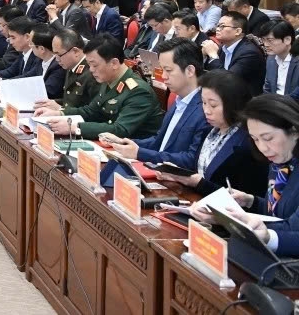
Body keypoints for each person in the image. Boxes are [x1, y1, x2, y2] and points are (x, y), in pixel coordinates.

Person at [153, 69, 265, 197]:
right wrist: (178, 175)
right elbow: (199, 173)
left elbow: (246, 197)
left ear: (233, 104)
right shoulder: (209, 130)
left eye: (213, 105)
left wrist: (197, 183)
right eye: (204, 103)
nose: (206, 110)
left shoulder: (247, 142)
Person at [102, 38, 210, 169]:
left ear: (190, 71)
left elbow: (191, 160)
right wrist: (125, 143)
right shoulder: (178, 101)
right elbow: (159, 141)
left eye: (168, 70)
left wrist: (140, 153)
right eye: (162, 70)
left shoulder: (206, 109)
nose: (163, 76)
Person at [34, 33, 163, 139]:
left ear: (114, 63)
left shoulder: (138, 91)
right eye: (89, 65)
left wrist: (75, 127)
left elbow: (120, 129)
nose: (90, 70)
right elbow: (91, 111)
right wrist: (59, 113)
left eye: (94, 65)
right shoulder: (109, 79)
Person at [216, 95, 299, 253]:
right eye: (255, 139)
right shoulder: (279, 160)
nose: (263, 148)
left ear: (294, 131)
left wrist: (267, 237)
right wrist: (251, 201)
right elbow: (279, 212)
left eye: (268, 138)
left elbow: (293, 227)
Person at [201, 11, 267, 95]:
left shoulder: (249, 53)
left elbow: (227, 82)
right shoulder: (223, 48)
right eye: (217, 26)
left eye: (222, 26)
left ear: (238, 31)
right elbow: (208, 74)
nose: (217, 29)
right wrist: (204, 56)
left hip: (245, 101)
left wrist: (213, 56)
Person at [41, 28, 101, 109]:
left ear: (75, 51)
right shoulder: (71, 67)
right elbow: (69, 101)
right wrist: (52, 103)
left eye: (59, 54)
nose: (57, 59)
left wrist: (60, 109)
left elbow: (91, 111)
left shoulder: (92, 72)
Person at [0, 17, 40, 84]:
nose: (11, 42)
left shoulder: (38, 56)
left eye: (13, 38)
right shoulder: (23, 53)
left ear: (27, 37)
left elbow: (26, 79)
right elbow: (10, 71)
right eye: (10, 38)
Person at [30, 25, 68, 99]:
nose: (30, 46)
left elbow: (48, 92)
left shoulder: (58, 65)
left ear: (41, 49)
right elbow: (27, 76)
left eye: (31, 44)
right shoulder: (40, 60)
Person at [263, 21, 299, 97]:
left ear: (287, 40)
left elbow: (296, 96)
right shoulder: (270, 59)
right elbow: (267, 89)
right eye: (263, 40)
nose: (265, 45)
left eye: (270, 40)